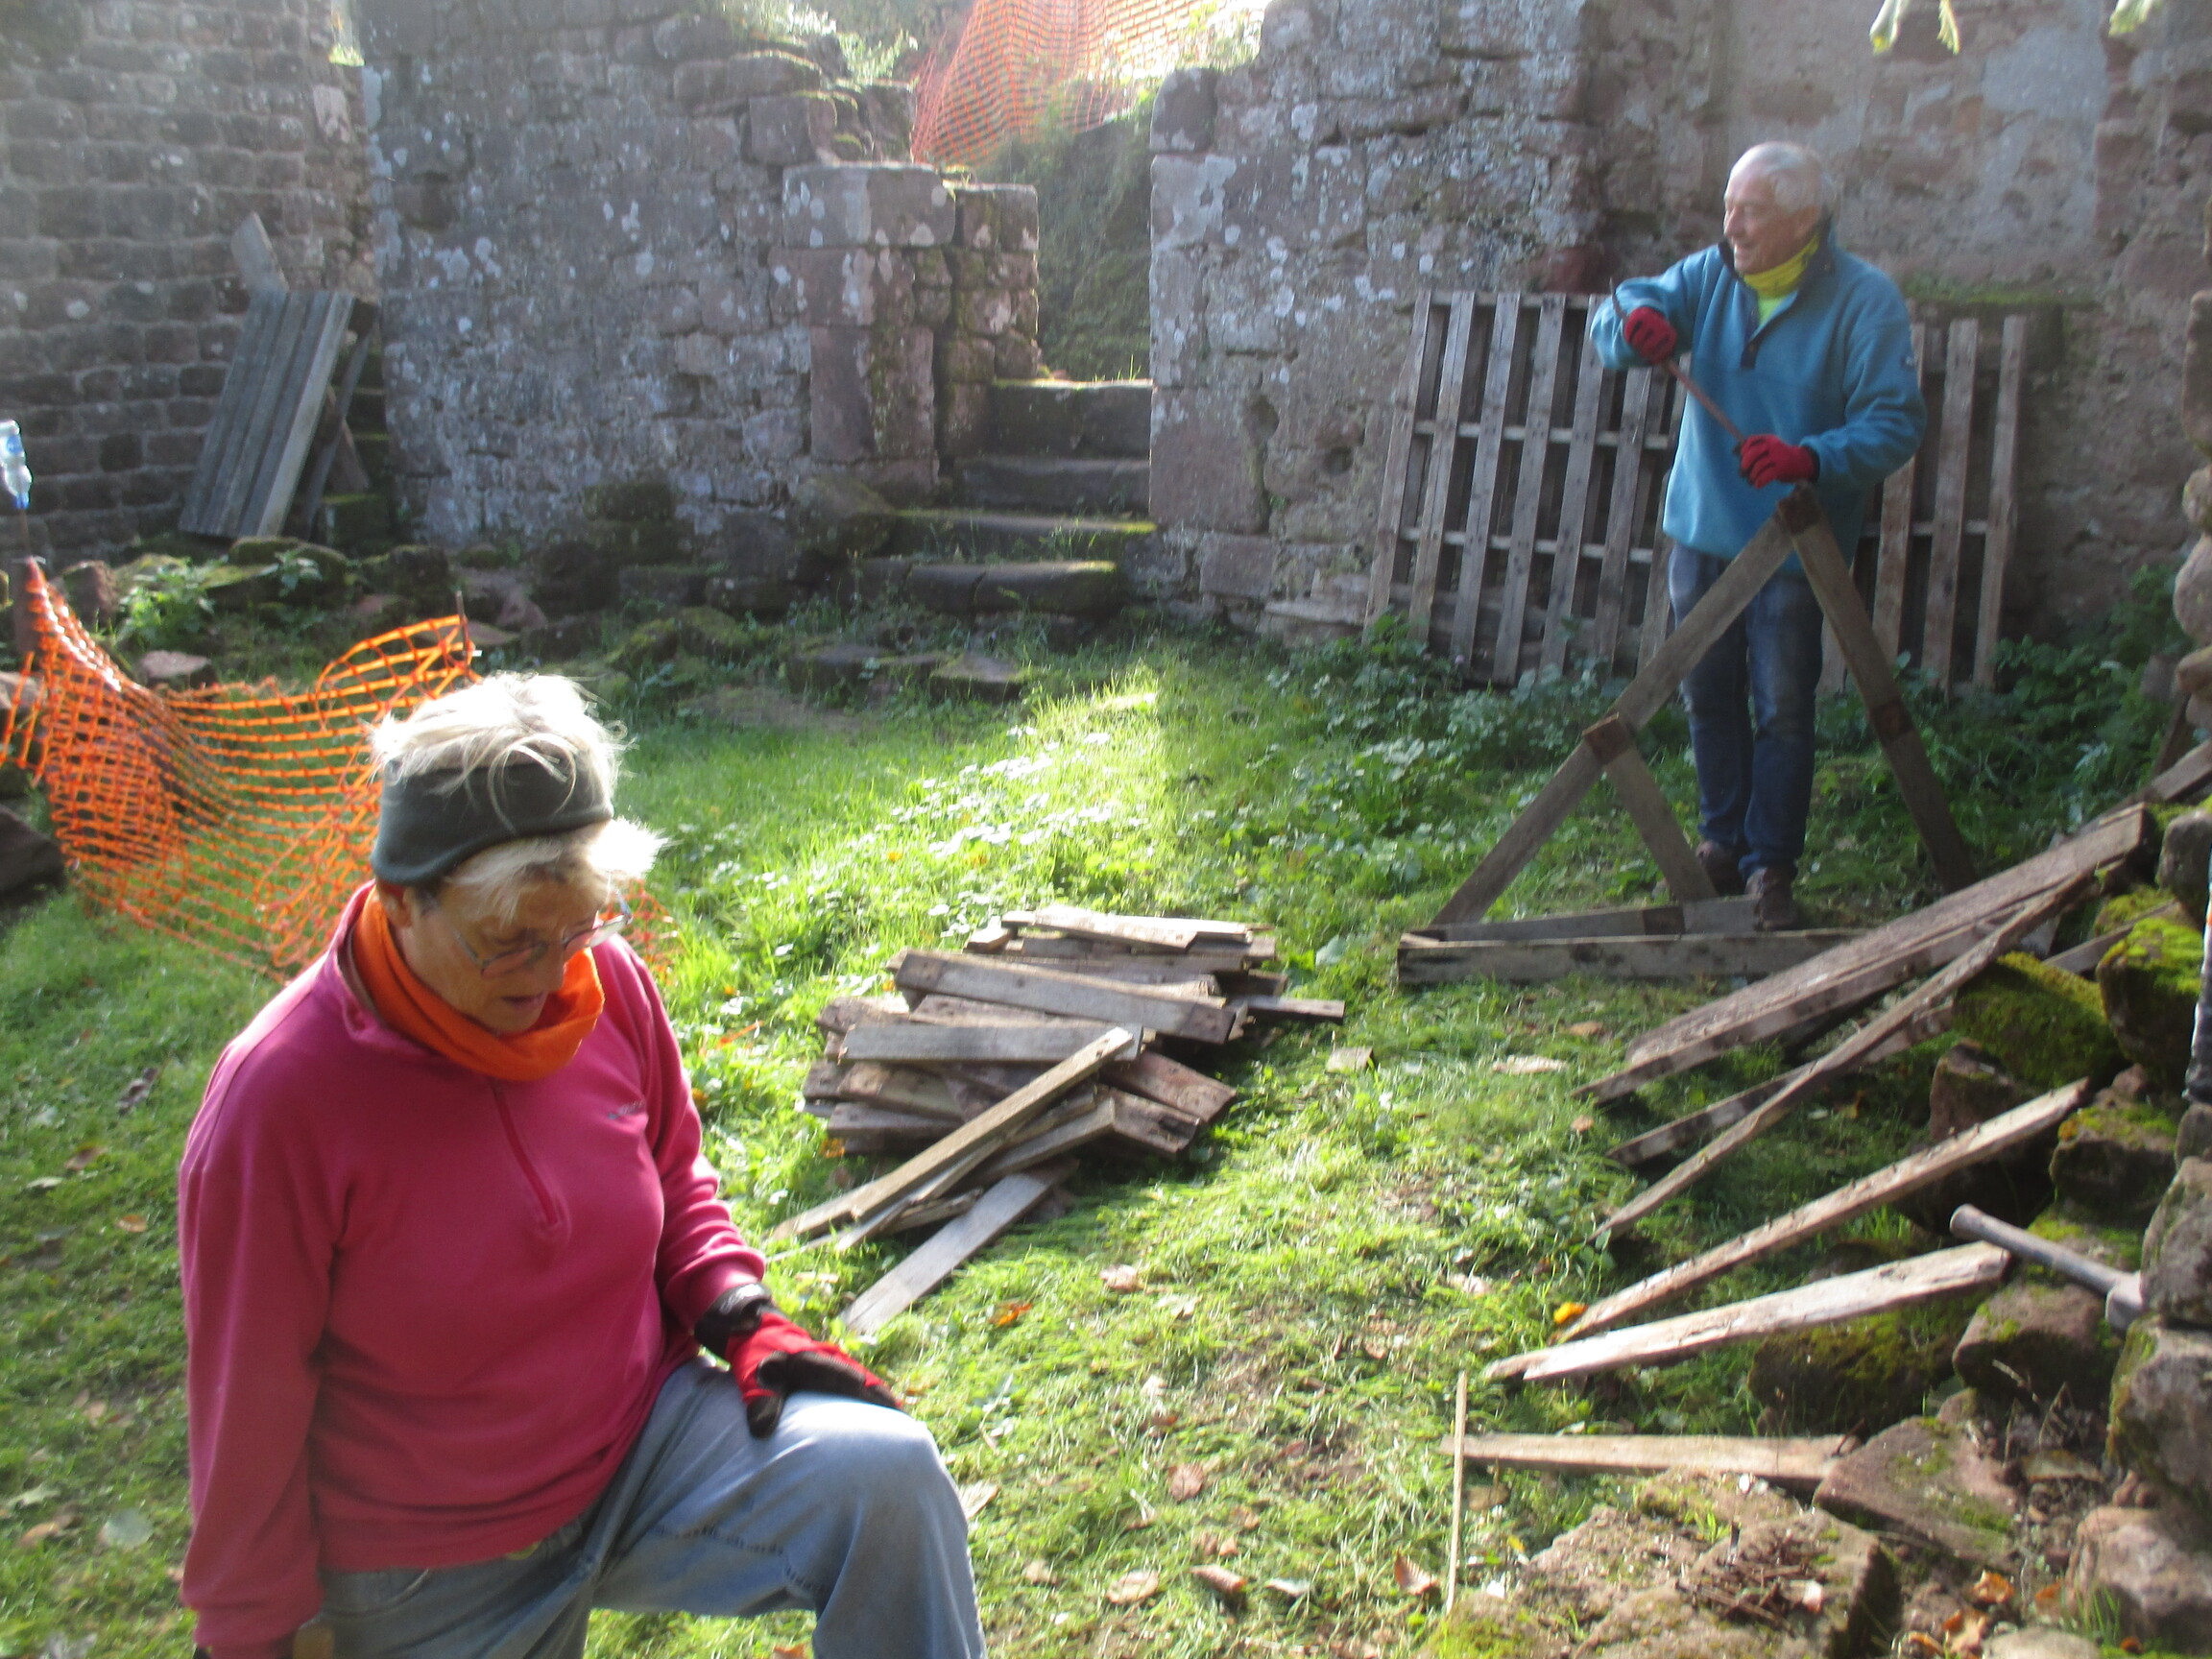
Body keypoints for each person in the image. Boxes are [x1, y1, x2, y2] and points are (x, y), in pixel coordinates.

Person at [178, 674, 986, 1659]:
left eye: (576, 927)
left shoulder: (602, 985)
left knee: (890, 1483)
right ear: (401, 899)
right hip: (428, 1561)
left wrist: (736, 1308)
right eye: (509, 942)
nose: (551, 972)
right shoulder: (279, 1102)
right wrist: (257, 1633)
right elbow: (247, 1405)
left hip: (639, 1449)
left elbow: (674, 1176)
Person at [1590, 141, 1927, 929]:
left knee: (1782, 707)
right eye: (1729, 207)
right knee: (1708, 693)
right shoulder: (1709, 276)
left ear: (1805, 220)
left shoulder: (1866, 301)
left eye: (1753, 212)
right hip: (1703, 531)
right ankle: (1722, 843)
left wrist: (1812, 457)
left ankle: (1769, 865)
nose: (1732, 227)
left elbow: (1895, 422)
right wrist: (1633, 326)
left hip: (1792, 545)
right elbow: (1623, 311)